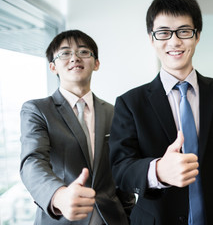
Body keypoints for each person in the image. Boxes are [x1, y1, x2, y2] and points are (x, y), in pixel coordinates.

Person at [109, 0, 213, 225]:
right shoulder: (130, 103)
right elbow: (120, 170)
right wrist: (157, 171)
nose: (175, 41)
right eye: (164, 33)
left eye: (184, 32)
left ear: (197, 36)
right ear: (151, 38)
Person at [20, 29, 134, 225]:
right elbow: (33, 161)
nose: (74, 58)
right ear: (53, 67)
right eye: (65, 53)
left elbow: (120, 168)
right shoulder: (37, 110)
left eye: (83, 52)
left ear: (96, 63)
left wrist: (130, 214)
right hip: (62, 219)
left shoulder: (114, 112)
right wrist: (58, 195)